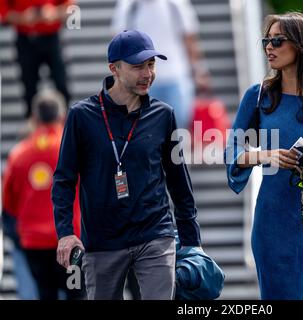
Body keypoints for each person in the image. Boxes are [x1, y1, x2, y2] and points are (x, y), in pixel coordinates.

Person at [52, 30, 202, 300]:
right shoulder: (81, 116)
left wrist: (192, 242)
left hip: (155, 234)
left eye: (151, 65)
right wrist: (65, 233)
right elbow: (64, 179)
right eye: (138, 66)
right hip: (102, 242)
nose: (147, 74)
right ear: (114, 69)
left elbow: (179, 181)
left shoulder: (164, 115)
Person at [224, 12, 303, 300]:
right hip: (272, 219)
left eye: (278, 40)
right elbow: (231, 151)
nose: (269, 47)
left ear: (301, 44)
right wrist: (264, 155)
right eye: (266, 40)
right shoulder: (257, 96)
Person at [2, 90, 84, 300]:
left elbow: (8, 202)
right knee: (75, 293)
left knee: (45, 294)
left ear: (35, 118)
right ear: (62, 116)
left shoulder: (18, 154)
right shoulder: (73, 150)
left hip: (34, 243)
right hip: (70, 240)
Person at [111, 0, 210, 130]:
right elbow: (119, 44)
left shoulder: (176, 4)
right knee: (144, 129)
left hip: (176, 75)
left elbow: (189, 39)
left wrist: (199, 70)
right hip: (141, 80)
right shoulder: (128, 6)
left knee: (178, 128)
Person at [0, 0, 72, 118]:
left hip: (51, 37)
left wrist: (53, 13)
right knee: (29, 85)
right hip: (26, 39)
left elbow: (70, 7)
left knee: (61, 82)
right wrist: (23, 17)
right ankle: (32, 123)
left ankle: (65, 122)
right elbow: (3, 13)